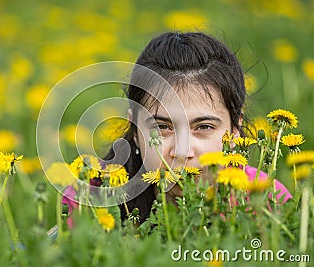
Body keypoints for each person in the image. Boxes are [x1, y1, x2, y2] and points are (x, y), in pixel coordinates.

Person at [100, 31, 292, 222]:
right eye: (162, 127)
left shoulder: (269, 202)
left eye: (204, 127)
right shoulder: (87, 203)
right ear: (135, 130)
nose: (182, 152)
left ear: (234, 131)